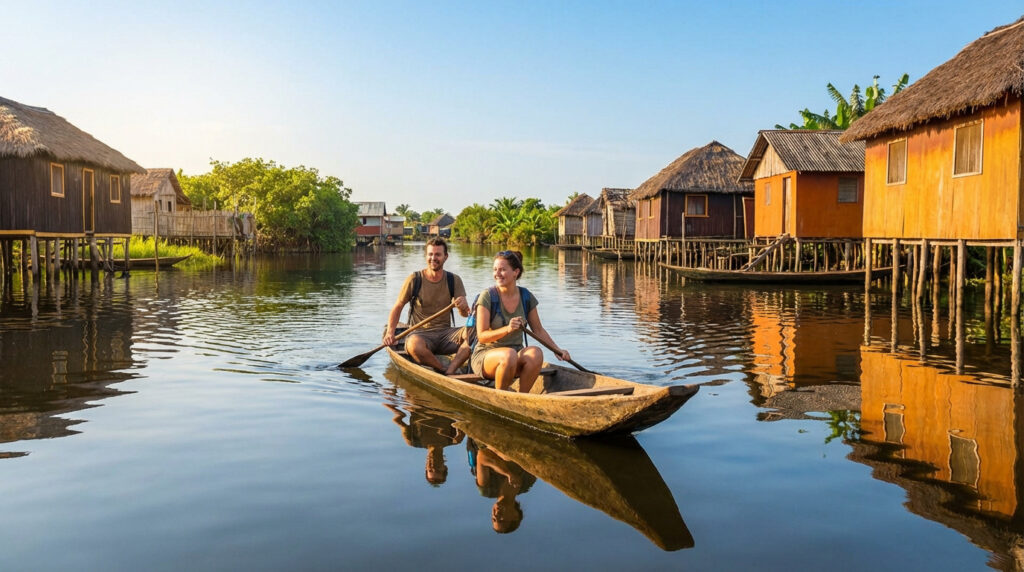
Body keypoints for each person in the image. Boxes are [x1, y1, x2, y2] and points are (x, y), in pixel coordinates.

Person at [470, 250, 570, 392]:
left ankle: (522, 397)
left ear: (515, 272)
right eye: (495, 269)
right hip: (487, 355)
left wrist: (557, 350)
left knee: (536, 353)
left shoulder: (526, 296)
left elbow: (539, 330)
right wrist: (508, 329)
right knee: (508, 355)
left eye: (503, 270)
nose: (497, 274)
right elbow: (482, 336)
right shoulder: (487, 296)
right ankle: (501, 396)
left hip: (514, 354)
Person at [383, 238, 471, 373]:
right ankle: (442, 368)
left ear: (445, 257)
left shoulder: (454, 280)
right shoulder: (415, 279)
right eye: (430, 254)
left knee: (474, 333)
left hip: (446, 335)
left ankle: (453, 367)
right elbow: (398, 306)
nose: (433, 258)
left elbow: (465, 314)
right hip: (420, 335)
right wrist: (390, 332)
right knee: (414, 345)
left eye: (438, 254)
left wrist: (463, 306)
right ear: (426, 256)